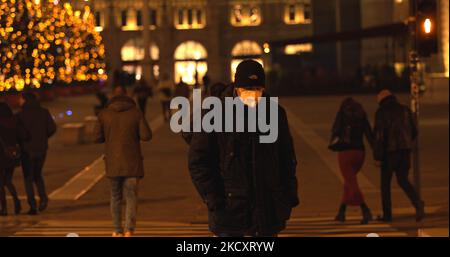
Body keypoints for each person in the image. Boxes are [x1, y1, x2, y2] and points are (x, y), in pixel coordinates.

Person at [188, 60, 299, 237]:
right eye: (247, 91)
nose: (252, 96)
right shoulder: (216, 114)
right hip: (229, 210)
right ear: (236, 88)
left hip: (267, 209)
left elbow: (287, 157)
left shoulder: (275, 113)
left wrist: (288, 195)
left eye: (258, 90)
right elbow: (198, 161)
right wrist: (213, 198)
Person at [94, 86, 152, 237]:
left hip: (113, 163)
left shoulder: (104, 114)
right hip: (132, 162)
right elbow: (146, 136)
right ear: (127, 96)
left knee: (115, 196)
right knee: (131, 197)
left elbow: (96, 137)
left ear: (113, 96)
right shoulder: (136, 113)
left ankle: (116, 230)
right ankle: (129, 230)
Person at [373, 89, 424, 222]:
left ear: (381, 101)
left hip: (389, 153)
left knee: (385, 185)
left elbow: (379, 137)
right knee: (403, 180)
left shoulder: (381, 112)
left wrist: (378, 157)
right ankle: (417, 203)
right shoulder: (405, 109)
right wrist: (407, 143)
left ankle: (387, 215)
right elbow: (414, 130)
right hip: (405, 151)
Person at [329, 98, 374, 224]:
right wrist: (376, 151)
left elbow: (335, 130)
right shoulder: (362, 114)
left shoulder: (343, 114)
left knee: (352, 184)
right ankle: (341, 212)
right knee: (349, 182)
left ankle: (366, 210)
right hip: (360, 153)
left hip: (345, 153)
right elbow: (369, 134)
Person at [17, 93, 56, 215]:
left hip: (26, 150)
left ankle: (32, 205)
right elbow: (52, 128)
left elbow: (17, 133)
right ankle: (43, 198)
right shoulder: (44, 112)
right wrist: (43, 138)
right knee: (38, 175)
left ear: (24, 100)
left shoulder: (20, 115)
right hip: (41, 148)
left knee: (28, 178)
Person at [0, 103, 28, 216]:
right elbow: (23, 136)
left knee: (1, 184)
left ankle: (4, 208)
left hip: (1, 156)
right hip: (12, 156)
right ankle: (17, 202)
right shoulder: (14, 121)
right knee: (8, 181)